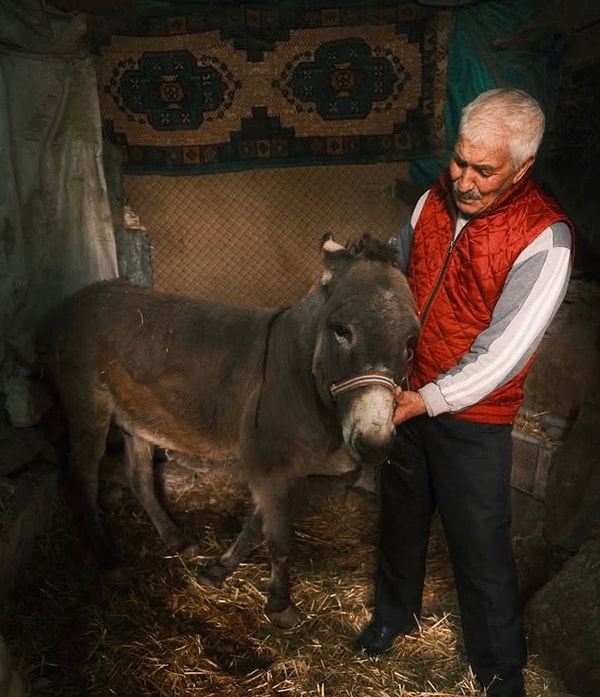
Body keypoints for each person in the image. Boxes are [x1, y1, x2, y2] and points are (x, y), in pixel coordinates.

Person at [354, 88, 574, 697]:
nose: (465, 181)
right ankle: (392, 618)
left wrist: (428, 399)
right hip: (408, 395)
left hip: (473, 420)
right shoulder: (431, 201)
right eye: (459, 161)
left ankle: (500, 670)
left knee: (480, 547)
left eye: (485, 170)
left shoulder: (544, 239)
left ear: (523, 168)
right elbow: (396, 276)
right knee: (399, 522)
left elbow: (502, 356)